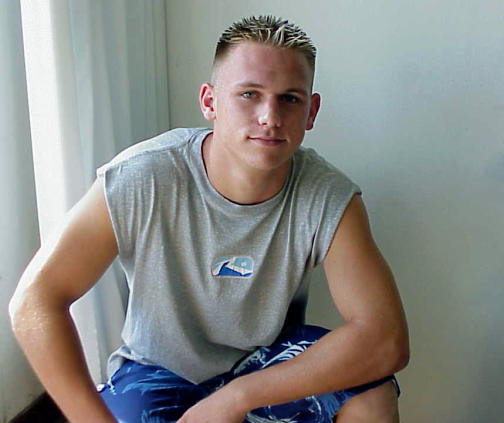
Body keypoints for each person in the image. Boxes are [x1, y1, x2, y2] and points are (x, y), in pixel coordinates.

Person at [9, 15, 409, 423]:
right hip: (157, 371)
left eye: (289, 99)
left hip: (266, 366)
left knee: (371, 390)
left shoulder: (328, 196)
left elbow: (385, 340)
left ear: (311, 110)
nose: (270, 116)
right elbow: (35, 301)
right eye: (249, 94)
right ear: (209, 101)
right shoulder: (143, 176)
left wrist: (235, 398)